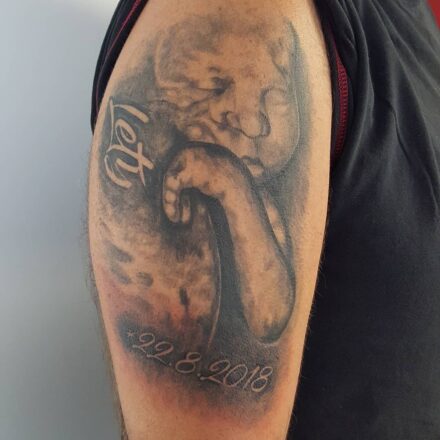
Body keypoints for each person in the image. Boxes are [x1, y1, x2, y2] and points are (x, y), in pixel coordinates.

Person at [88, 0, 440, 438]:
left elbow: (269, 314)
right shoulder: (249, 13)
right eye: (214, 87)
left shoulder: (411, 14)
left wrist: (233, 190)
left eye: (275, 95)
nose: (254, 124)